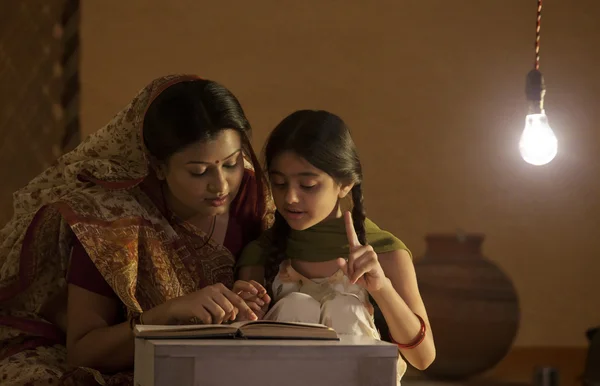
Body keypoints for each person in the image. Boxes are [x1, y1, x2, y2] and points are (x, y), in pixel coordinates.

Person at [0, 75, 273, 385]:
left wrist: (249, 302)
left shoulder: (252, 197)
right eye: (198, 171)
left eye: (231, 163)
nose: (221, 185)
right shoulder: (111, 221)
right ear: (157, 167)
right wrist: (166, 315)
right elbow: (84, 352)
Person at [237, 110, 436, 382]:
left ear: (345, 184)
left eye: (308, 185)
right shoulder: (260, 254)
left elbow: (423, 358)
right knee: (296, 307)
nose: (290, 197)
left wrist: (381, 289)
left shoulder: (384, 253)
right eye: (280, 183)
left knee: (346, 309)